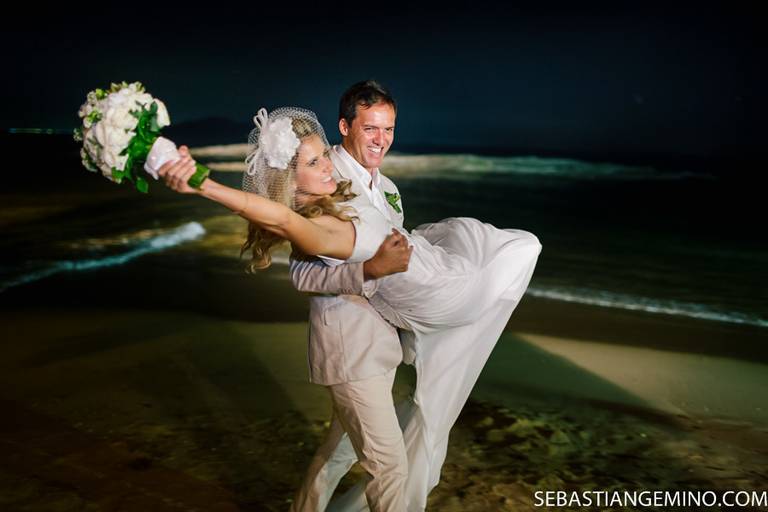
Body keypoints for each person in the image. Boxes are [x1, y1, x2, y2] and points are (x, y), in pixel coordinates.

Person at [158, 100, 541, 512]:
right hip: (350, 351)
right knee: (391, 468)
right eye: (370, 128)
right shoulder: (314, 216)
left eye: (388, 128)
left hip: (378, 343)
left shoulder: (370, 190)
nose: (326, 166)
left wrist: (388, 278)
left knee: (337, 453)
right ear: (346, 126)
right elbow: (297, 259)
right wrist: (202, 184)